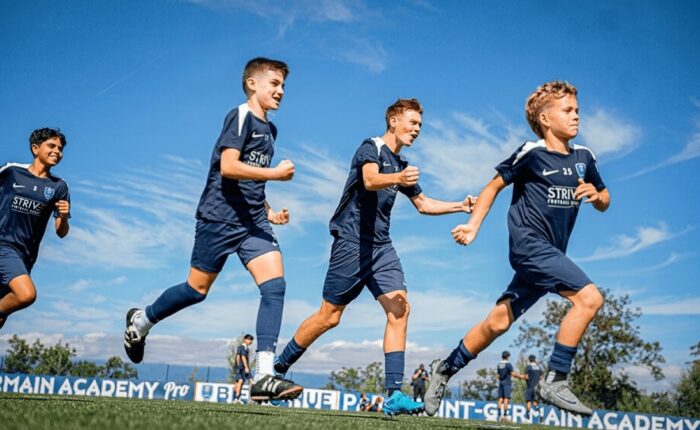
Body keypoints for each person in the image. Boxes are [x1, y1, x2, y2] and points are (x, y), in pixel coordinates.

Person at [273, 98, 476, 416]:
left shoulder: (402, 165)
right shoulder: (370, 148)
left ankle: (394, 393)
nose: (417, 129)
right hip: (351, 244)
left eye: (420, 125)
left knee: (400, 309)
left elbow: (423, 204)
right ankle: (277, 371)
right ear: (394, 120)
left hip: (381, 248)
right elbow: (370, 180)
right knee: (329, 317)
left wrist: (460, 206)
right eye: (412, 122)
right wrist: (398, 179)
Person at [424, 81, 609, 417]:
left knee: (496, 324)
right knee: (589, 298)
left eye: (577, 110)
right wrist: (473, 225)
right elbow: (492, 186)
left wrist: (597, 197)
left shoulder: (585, 158)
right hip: (529, 247)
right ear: (545, 119)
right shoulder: (532, 153)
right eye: (568, 110)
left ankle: (445, 368)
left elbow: (605, 197)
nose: (576, 116)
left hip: (550, 255)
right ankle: (556, 379)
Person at [123, 57, 302, 402]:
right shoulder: (239, 116)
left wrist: (269, 211)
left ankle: (263, 376)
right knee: (196, 290)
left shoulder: (271, 130)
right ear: (252, 84)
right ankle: (141, 322)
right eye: (274, 84)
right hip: (218, 218)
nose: (281, 91)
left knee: (275, 286)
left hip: (252, 222)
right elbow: (229, 166)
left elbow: (251, 180)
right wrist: (275, 174)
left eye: (283, 86)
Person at [0, 128, 71, 330]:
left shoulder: (59, 186)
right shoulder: (11, 171)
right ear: (35, 148)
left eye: (60, 148)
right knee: (26, 294)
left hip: (26, 256)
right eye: (52, 146)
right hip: (3, 245)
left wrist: (63, 216)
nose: (57, 151)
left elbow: (61, 232)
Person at [496, 351, 525, 421]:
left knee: (500, 399)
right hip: (507, 384)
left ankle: (499, 415)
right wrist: (520, 376)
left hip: (501, 383)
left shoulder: (499, 364)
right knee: (506, 399)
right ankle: (505, 415)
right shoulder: (508, 364)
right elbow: (513, 374)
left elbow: (498, 376)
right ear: (507, 357)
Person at [233, 334, 254, 403]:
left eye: (251, 340)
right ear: (245, 339)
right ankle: (237, 398)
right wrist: (245, 367)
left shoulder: (246, 348)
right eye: (249, 339)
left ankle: (239, 398)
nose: (250, 341)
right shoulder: (242, 347)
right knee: (241, 381)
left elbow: (238, 356)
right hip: (241, 368)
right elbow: (242, 357)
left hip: (243, 368)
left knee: (246, 381)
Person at [524, 354, 543, 420]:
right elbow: (541, 377)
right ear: (535, 359)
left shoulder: (528, 367)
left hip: (530, 387)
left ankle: (527, 417)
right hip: (537, 388)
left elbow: (526, 377)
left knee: (528, 401)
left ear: (529, 360)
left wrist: (527, 381)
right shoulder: (538, 367)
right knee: (535, 402)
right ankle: (540, 415)